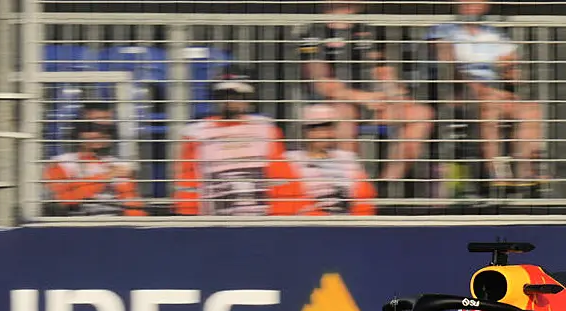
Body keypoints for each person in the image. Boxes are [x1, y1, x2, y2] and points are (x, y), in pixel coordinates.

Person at [297, 1, 433, 188]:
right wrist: (361, 97)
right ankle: (352, 186)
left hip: (372, 102)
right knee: (344, 112)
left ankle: (387, 187)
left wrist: (394, 94)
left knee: (420, 113)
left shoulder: (369, 30)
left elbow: (383, 71)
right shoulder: (312, 32)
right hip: (334, 104)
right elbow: (320, 81)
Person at [431, 0, 546, 188]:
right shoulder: (442, 31)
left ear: (485, 6)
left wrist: (512, 72)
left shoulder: (494, 34)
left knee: (530, 110)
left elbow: (514, 69)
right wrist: (481, 89)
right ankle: (495, 170)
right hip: (457, 94)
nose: (469, 4)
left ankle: (525, 169)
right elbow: (448, 69)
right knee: (490, 104)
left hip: (492, 93)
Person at [174, 65, 298, 216]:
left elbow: (282, 180)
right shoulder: (195, 133)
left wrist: (281, 222)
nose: (230, 100)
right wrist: (190, 222)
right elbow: (188, 184)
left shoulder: (265, 129)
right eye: (224, 94)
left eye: (237, 95)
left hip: (263, 224)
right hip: (213, 226)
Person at [271, 104, 377, 215]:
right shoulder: (288, 161)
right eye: (316, 128)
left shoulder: (348, 159)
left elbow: (364, 200)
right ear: (305, 132)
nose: (324, 134)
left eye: (328, 127)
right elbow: (286, 206)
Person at [41, 120, 146, 217]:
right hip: (73, 221)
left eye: (101, 133)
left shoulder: (117, 165)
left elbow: (131, 202)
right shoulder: (60, 163)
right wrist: (107, 176)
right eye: (90, 132)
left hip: (114, 220)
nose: (97, 136)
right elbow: (64, 200)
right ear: (78, 137)